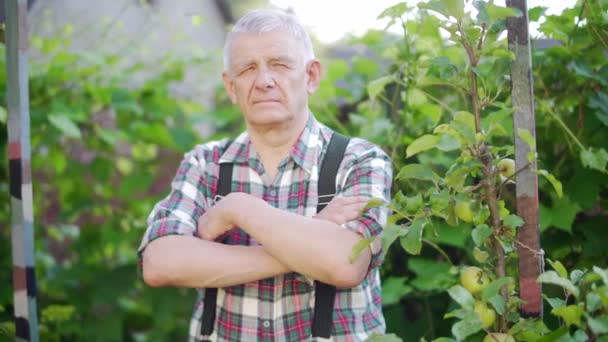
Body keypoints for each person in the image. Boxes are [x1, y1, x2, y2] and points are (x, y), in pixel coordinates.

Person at [137, 8, 392, 342]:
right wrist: (311, 241)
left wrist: (239, 208)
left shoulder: (359, 160)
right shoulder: (205, 163)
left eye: (280, 64)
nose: (264, 81)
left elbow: (344, 264)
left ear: (311, 76)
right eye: (247, 69)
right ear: (231, 86)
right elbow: (160, 265)